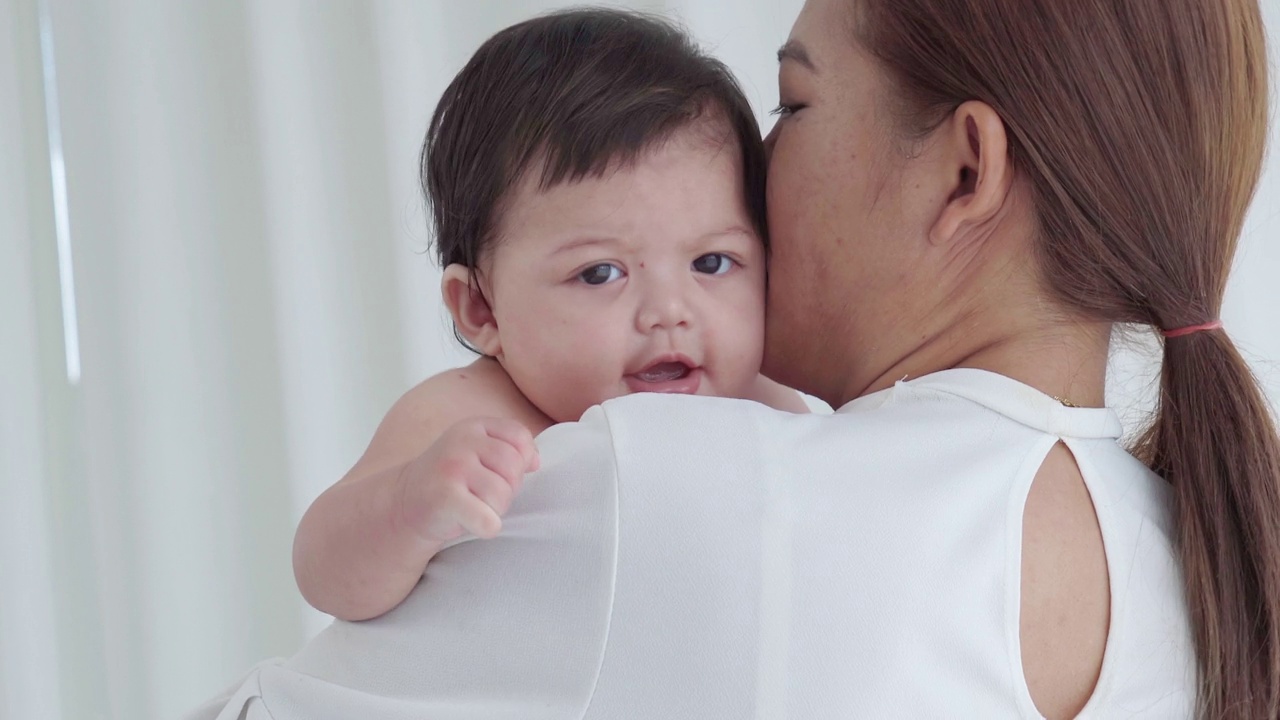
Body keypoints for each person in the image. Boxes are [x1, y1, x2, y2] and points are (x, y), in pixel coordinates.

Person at [191, 0, 1279, 719]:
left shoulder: (678, 486)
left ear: (962, 174)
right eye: (602, 272)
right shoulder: (1189, 558)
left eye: (793, 105)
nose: (755, 172)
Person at [289, 7, 805, 625]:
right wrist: (408, 504)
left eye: (713, 262)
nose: (670, 312)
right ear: (482, 308)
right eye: (600, 273)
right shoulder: (472, 417)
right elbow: (323, 571)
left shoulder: (771, 410)